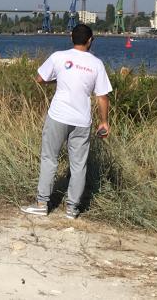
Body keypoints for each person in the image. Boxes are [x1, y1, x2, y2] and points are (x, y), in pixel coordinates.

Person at [21, 24, 112, 219]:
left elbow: (39, 78)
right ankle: (72, 208)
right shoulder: (97, 64)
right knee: (78, 164)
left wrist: (58, 79)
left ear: (71, 38)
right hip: (82, 120)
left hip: (58, 116)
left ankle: (42, 203)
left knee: (49, 158)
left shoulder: (58, 57)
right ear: (90, 40)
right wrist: (104, 122)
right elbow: (102, 96)